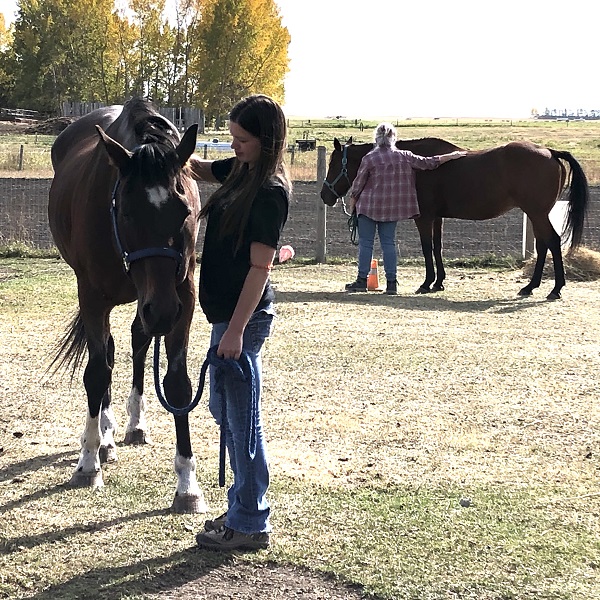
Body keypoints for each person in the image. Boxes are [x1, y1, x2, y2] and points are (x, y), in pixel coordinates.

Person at [188, 94, 290, 551]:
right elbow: (201, 170)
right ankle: (245, 510)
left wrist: (233, 331)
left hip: (241, 320)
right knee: (227, 412)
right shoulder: (242, 172)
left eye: (242, 139)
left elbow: (260, 268)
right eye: (231, 137)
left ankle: (249, 521)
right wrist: (163, 146)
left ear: (266, 141)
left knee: (242, 420)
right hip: (227, 317)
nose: (234, 146)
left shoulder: (268, 192)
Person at [345, 122, 466, 295]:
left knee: (366, 244)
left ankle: (361, 281)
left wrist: (353, 202)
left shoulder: (369, 158)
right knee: (389, 244)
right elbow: (428, 163)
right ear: (393, 138)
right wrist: (451, 156)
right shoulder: (404, 156)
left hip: (368, 207)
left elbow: (358, 184)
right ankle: (392, 283)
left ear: (376, 139)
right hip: (391, 210)